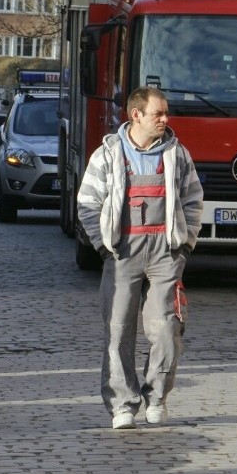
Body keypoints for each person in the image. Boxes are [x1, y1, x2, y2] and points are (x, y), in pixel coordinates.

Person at [77, 86, 203, 430]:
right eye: (158, 113)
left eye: (166, 113)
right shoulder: (107, 155)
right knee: (118, 332)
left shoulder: (178, 155)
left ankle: (157, 398)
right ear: (136, 115)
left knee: (167, 329)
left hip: (165, 253)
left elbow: (193, 200)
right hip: (122, 254)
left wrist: (184, 246)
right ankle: (122, 406)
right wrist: (103, 247)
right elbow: (87, 203)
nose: (165, 119)